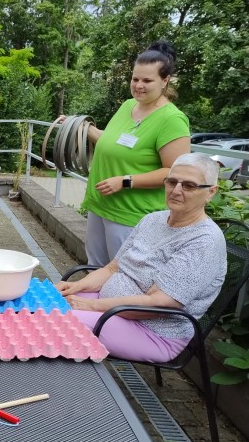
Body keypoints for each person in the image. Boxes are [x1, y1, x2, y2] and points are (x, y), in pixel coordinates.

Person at [56, 153, 226, 363]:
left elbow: (159, 304)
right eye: (172, 182)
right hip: (111, 307)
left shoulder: (204, 241)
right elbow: (113, 268)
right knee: (42, 304)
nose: (176, 190)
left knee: (53, 323)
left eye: (189, 185)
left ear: (211, 192)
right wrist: (76, 287)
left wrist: (90, 306)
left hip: (152, 332)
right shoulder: (153, 220)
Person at [77, 40, 191, 265]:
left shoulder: (172, 119)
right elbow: (111, 142)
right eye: (135, 79)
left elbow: (175, 172)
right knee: (94, 269)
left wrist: (126, 181)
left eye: (147, 80)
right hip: (101, 204)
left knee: (122, 278)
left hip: (131, 214)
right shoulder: (128, 106)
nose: (138, 85)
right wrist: (80, 127)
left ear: (165, 80)